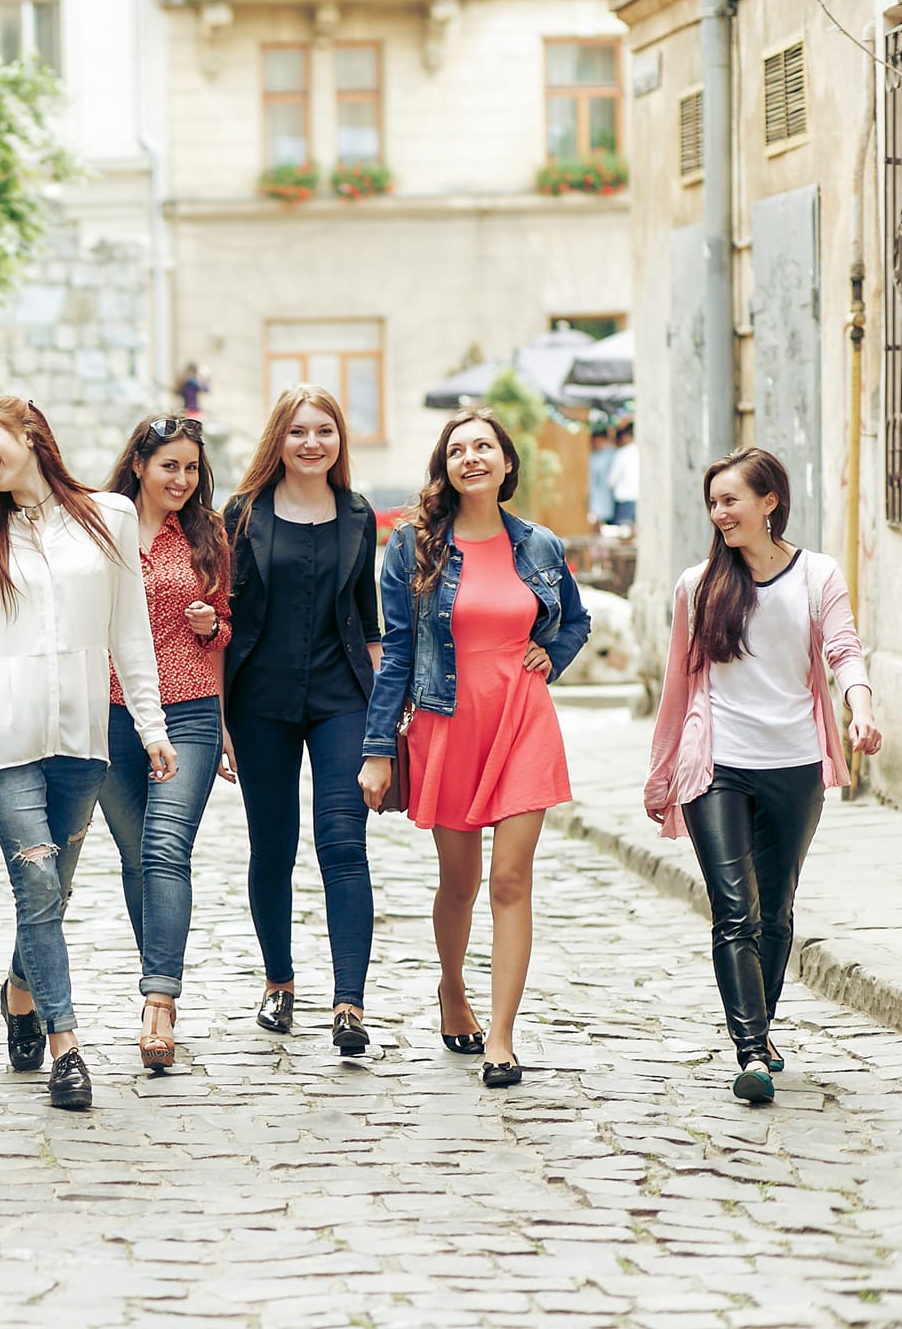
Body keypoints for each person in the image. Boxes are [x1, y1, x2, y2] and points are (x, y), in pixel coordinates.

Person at [0, 396, 176, 1110]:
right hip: (4, 732)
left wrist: (151, 725)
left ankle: (20, 991)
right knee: (38, 883)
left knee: (52, 890)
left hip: (83, 736)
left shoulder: (111, 516)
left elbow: (130, 632)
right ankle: (66, 1050)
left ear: (29, 434)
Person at [358, 409, 591, 1089]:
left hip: (522, 718)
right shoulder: (414, 547)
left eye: (483, 445)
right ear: (447, 467)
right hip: (447, 723)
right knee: (459, 882)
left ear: (506, 462)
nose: (472, 457)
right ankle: (452, 988)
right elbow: (398, 651)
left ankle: (502, 1036)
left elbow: (575, 619)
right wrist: (378, 747)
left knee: (511, 879)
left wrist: (553, 655)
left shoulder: (540, 545)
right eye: (458, 449)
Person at [644, 448, 880, 1105]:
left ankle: (762, 1028)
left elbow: (843, 649)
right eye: (713, 502)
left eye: (731, 500)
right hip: (716, 765)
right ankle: (750, 1051)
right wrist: (663, 772)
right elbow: (676, 685)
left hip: (795, 764)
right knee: (734, 911)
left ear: (769, 501)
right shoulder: (698, 585)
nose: (719, 513)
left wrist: (860, 709)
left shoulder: (817, 574)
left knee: (774, 912)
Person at [222, 386, 383, 1055]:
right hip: (259, 702)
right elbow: (225, 619)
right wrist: (219, 717)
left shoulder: (358, 514)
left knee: (343, 842)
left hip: (342, 697)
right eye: (297, 431)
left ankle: (349, 1004)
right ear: (278, 441)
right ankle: (279, 983)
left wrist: (383, 724)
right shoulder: (243, 513)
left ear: (339, 439)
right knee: (273, 845)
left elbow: (369, 624)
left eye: (324, 430)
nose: (311, 443)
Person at [93, 414, 230, 1069]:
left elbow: (227, 627)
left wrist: (210, 625)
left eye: (191, 468)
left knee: (166, 847)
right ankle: (158, 973)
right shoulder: (99, 528)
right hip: (111, 710)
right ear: (140, 465)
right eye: (169, 465)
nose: (182, 479)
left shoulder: (207, 534)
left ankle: (159, 1002)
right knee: (136, 856)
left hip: (190, 710)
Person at [608, 422, 639, 528]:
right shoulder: (642, 452)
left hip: (624, 498)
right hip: (639, 498)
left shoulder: (621, 454)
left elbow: (612, 480)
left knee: (623, 530)